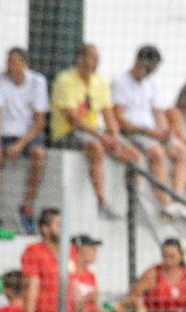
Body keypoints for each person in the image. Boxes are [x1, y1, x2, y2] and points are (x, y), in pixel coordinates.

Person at [49, 44, 137, 221]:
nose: (95, 63)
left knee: (132, 154)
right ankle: (101, 202)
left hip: (94, 131)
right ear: (80, 59)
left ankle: (133, 205)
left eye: (97, 59)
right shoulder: (65, 80)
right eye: (91, 58)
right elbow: (74, 120)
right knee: (96, 148)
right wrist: (101, 136)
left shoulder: (100, 82)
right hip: (67, 133)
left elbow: (108, 113)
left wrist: (113, 134)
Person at [110, 45, 186, 216]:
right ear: (138, 62)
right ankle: (165, 204)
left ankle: (177, 200)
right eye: (147, 69)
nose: (148, 73)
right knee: (157, 153)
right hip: (134, 131)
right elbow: (120, 118)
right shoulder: (120, 82)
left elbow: (158, 112)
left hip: (153, 132)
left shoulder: (152, 83)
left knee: (184, 152)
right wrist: (149, 132)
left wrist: (164, 131)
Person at [0, 47, 49, 233]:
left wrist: (20, 145)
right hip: (4, 133)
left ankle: (27, 206)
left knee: (39, 154)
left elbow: (39, 122)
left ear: (24, 63)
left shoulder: (38, 82)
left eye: (14, 61)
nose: (9, 65)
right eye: (8, 61)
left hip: (27, 134)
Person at [17, 207, 63, 312]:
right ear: (45, 228)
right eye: (59, 224)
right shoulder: (34, 251)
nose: (63, 228)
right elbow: (32, 285)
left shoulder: (69, 252)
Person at [121, 237, 186, 312]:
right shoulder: (153, 273)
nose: (168, 260)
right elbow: (134, 295)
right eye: (165, 256)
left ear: (180, 256)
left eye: (172, 256)